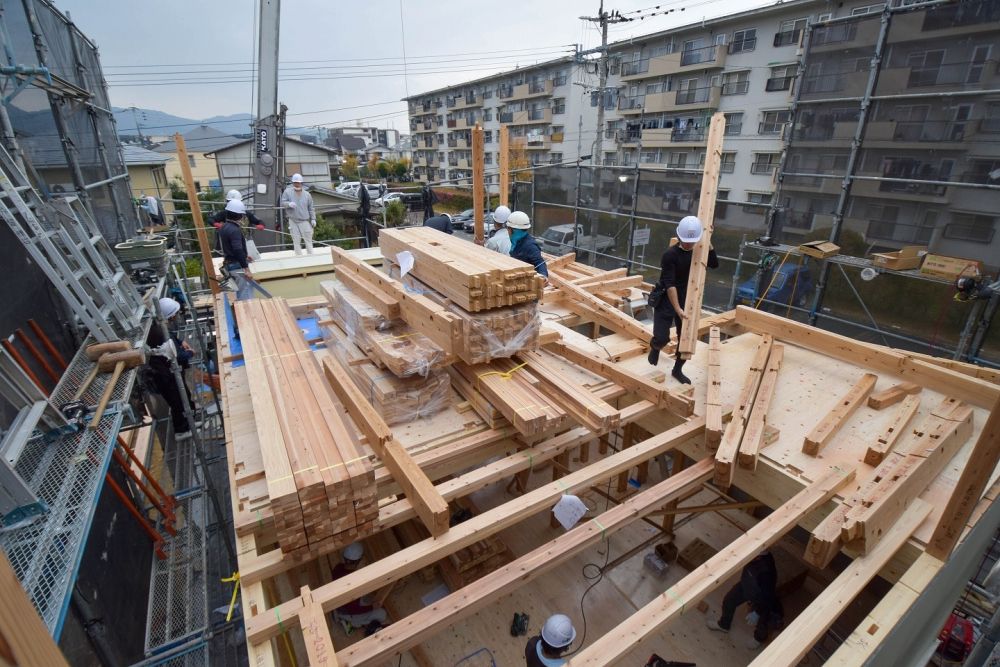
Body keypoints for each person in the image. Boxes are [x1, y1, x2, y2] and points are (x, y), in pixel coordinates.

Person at [648, 215, 718, 384]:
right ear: (679, 236)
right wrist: (678, 309)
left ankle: (677, 370)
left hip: (689, 298)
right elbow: (670, 284)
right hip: (667, 298)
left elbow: (714, 264)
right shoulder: (670, 255)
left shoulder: (698, 251)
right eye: (686, 241)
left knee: (685, 339)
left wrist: (708, 242)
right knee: (662, 337)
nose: (689, 244)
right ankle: (656, 347)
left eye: (692, 241)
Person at [707, 551, 783, 650]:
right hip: (747, 585)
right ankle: (724, 625)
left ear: (759, 556)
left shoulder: (767, 572)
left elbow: (768, 596)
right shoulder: (751, 555)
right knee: (729, 601)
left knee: (763, 622)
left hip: (762, 599)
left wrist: (757, 612)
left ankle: (758, 639)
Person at [147, 297, 195, 440]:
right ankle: (181, 430)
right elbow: (178, 356)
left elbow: (172, 338)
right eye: (175, 313)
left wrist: (182, 341)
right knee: (178, 402)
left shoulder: (159, 326)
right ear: (170, 315)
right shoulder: (160, 333)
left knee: (185, 396)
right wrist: (190, 353)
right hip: (165, 375)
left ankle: (191, 421)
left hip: (170, 372)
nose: (177, 316)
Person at [330, 543, 388, 635]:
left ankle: (342, 614)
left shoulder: (338, 567)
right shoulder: (353, 581)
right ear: (359, 560)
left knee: (365, 596)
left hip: (339, 602)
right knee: (382, 614)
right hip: (347, 611)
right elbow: (354, 609)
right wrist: (372, 607)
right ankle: (352, 622)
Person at [218, 200, 254, 301]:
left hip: (230, 264)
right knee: (245, 295)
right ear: (239, 215)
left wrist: (244, 256)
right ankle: (246, 316)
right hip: (236, 266)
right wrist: (246, 269)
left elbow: (230, 247)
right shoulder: (235, 230)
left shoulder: (224, 227)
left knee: (240, 292)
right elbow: (237, 249)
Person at [280, 173, 316, 255]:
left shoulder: (307, 194)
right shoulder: (287, 192)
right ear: (293, 183)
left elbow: (311, 208)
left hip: (304, 220)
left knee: (308, 239)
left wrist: (313, 218)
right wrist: (288, 204)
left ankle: (311, 256)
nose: (297, 184)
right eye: (295, 182)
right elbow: (282, 203)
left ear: (301, 183)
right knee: (296, 241)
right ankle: (299, 257)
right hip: (293, 220)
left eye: (298, 182)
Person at [506, 211, 548, 279]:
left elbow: (540, 262)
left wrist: (543, 275)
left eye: (508, 228)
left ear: (513, 230)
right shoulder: (516, 241)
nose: (507, 231)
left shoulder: (530, 246)